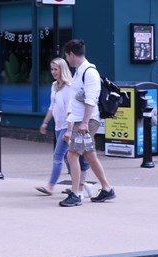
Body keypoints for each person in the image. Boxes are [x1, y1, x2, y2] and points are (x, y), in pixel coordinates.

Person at [59, 39, 115, 206]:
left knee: (72, 155)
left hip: (85, 121)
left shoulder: (89, 72)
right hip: (81, 120)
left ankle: (76, 194)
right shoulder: (79, 71)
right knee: (89, 156)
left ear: (71, 54)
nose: (67, 60)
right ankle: (107, 189)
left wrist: (83, 123)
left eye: (67, 56)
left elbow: (91, 99)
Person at [35, 57, 92, 198]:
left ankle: (50, 186)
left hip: (68, 126)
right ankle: (83, 186)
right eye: (52, 69)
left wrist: (69, 130)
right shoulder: (54, 86)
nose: (53, 72)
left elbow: (71, 110)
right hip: (58, 125)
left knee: (58, 156)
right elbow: (52, 106)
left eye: (56, 69)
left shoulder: (69, 87)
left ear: (63, 69)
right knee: (68, 158)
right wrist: (45, 123)